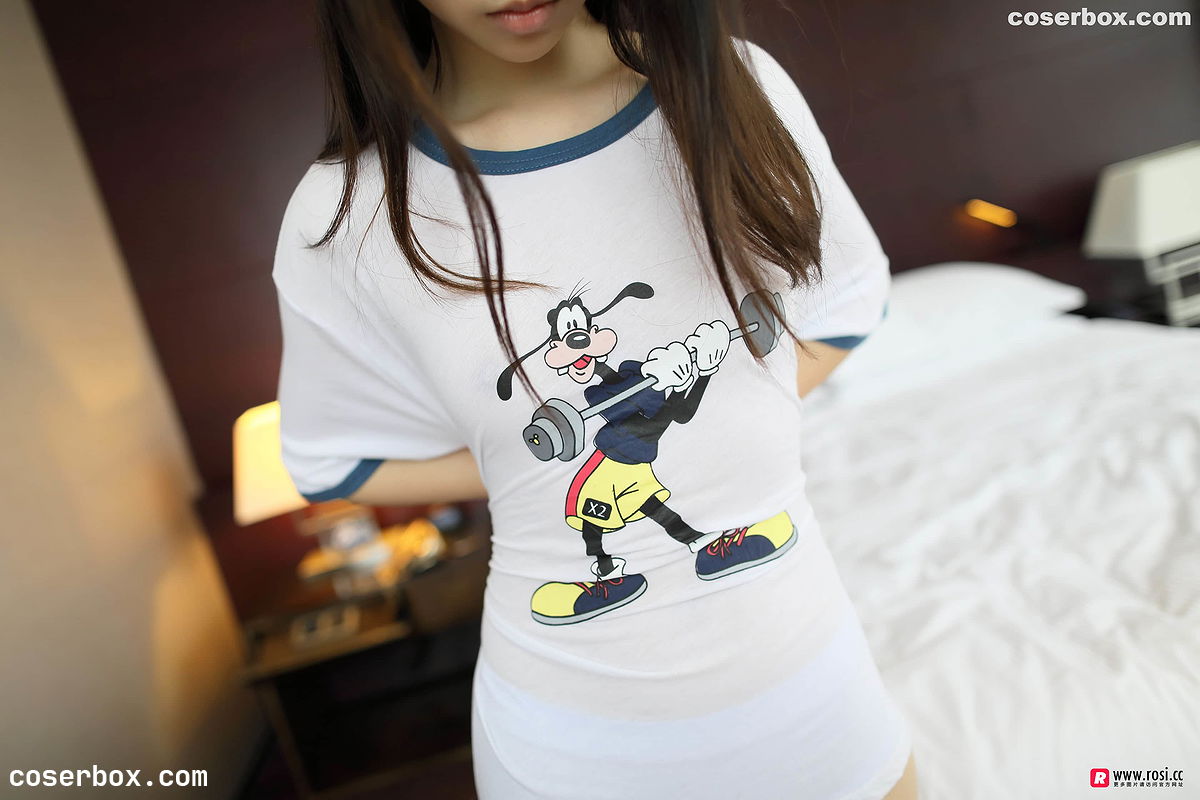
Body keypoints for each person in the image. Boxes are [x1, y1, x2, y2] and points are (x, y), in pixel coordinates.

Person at [272, 1, 919, 797]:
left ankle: (708, 540)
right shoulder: (345, 212)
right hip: (574, 745)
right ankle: (604, 570)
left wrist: (709, 385)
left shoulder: (733, 86)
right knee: (602, 512)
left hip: (815, 690)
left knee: (649, 499)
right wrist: (520, 466)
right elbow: (333, 465)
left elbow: (846, 303)